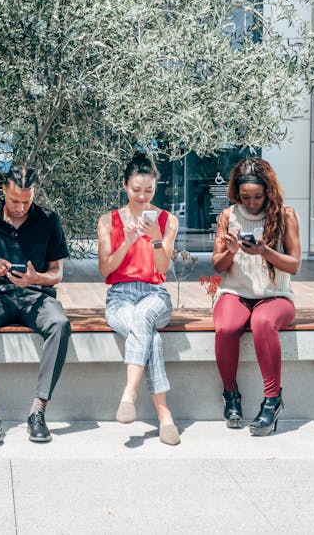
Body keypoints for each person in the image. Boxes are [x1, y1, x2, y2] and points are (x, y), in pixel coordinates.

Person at [0, 166, 71, 445]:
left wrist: (37, 278)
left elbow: (57, 273)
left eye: (27, 201)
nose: (21, 207)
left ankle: (38, 410)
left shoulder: (48, 220)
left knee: (60, 323)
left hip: (37, 296)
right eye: (14, 201)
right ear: (4, 192)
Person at [97, 151, 181, 446]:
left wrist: (156, 236)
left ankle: (129, 393)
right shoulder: (108, 221)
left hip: (154, 294)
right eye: (136, 190)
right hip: (120, 296)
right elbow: (105, 268)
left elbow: (162, 269)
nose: (142, 197)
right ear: (124, 186)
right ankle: (164, 415)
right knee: (151, 339)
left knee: (144, 316)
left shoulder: (167, 220)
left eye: (149, 190)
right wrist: (128, 242)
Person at [212, 157, 301, 436]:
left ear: (269, 190)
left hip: (276, 296)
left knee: (263, 322)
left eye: (258, 197)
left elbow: (294, 265)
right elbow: (217, 265)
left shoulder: (286, 215)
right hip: (235, 292)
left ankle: (272, 401)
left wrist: (265, 251)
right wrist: (231, 250)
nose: (251, 203)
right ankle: (231, 396)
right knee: (226, 327)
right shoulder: (228, 215)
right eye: (245, 197)